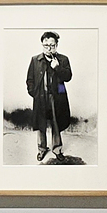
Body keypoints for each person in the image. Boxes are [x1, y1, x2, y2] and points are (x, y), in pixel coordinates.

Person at [24, 32, 73, 164]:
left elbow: (68, 77)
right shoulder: (35, 60)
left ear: (57, 45)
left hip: (57, 98)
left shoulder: (63, 59)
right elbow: (30, 79)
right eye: (46, 45)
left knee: (56, 123)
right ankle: (41, 149)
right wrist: (34, 93)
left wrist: (57, 67)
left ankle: (57, 149)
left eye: (52, 45)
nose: (49, 48)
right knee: (41, 124)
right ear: (42, 45)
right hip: (41, 97)